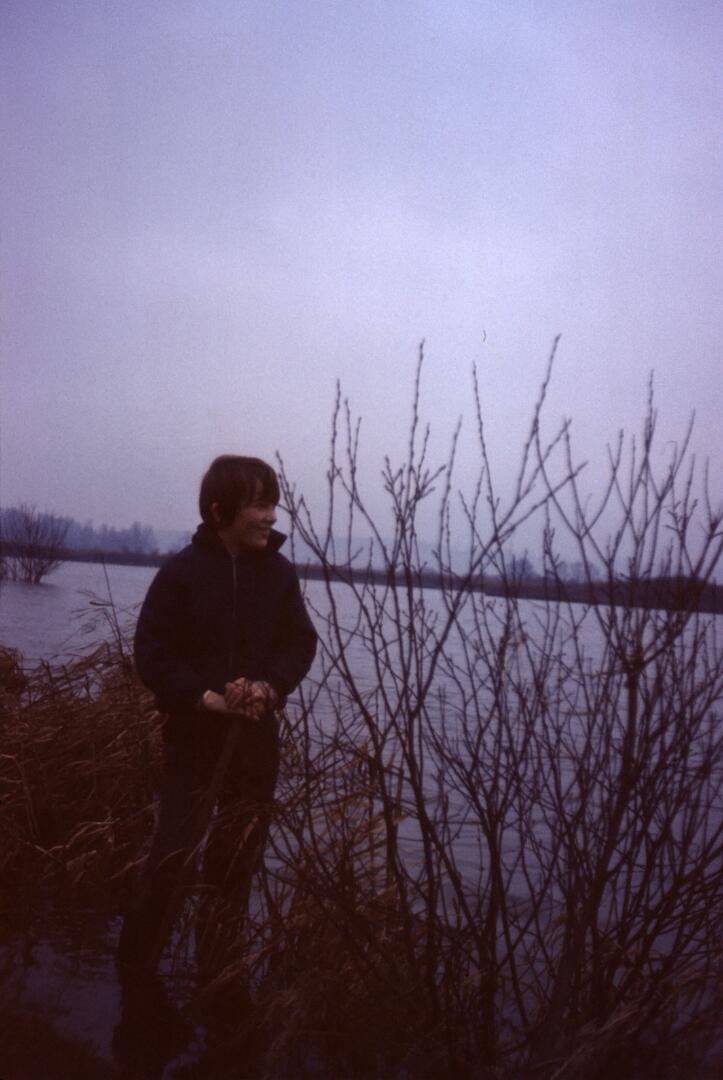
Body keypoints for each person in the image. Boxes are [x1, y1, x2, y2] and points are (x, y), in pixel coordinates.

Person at [116, 455, 317, 980]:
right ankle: (134, 972)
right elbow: (152, 653)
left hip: (255, 746)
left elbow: (300, 643)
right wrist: (205, 698)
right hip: (192, 739)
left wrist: (268, 687)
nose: (271, 517)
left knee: (235, 866)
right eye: (259, 505)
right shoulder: (181, 573)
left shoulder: (279, 574)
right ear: (219, 509)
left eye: (273, 504)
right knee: (171, 857)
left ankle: (216, 974)